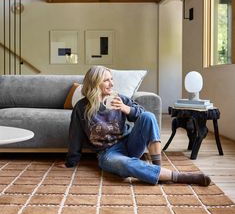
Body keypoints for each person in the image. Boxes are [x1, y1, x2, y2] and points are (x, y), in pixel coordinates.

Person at [58, 65, 211, 187]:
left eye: (112, 79)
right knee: (125, 165)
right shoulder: (82, 107)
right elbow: (75, 135)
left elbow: (144, 116)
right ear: (95, 83)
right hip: (107, 153)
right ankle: (178, 177)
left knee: (148, 116)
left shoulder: (120, 99)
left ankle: (157, 166)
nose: (112, 83)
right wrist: (70, 162)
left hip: (131, 143)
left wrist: (126, 108)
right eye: (106, 80)